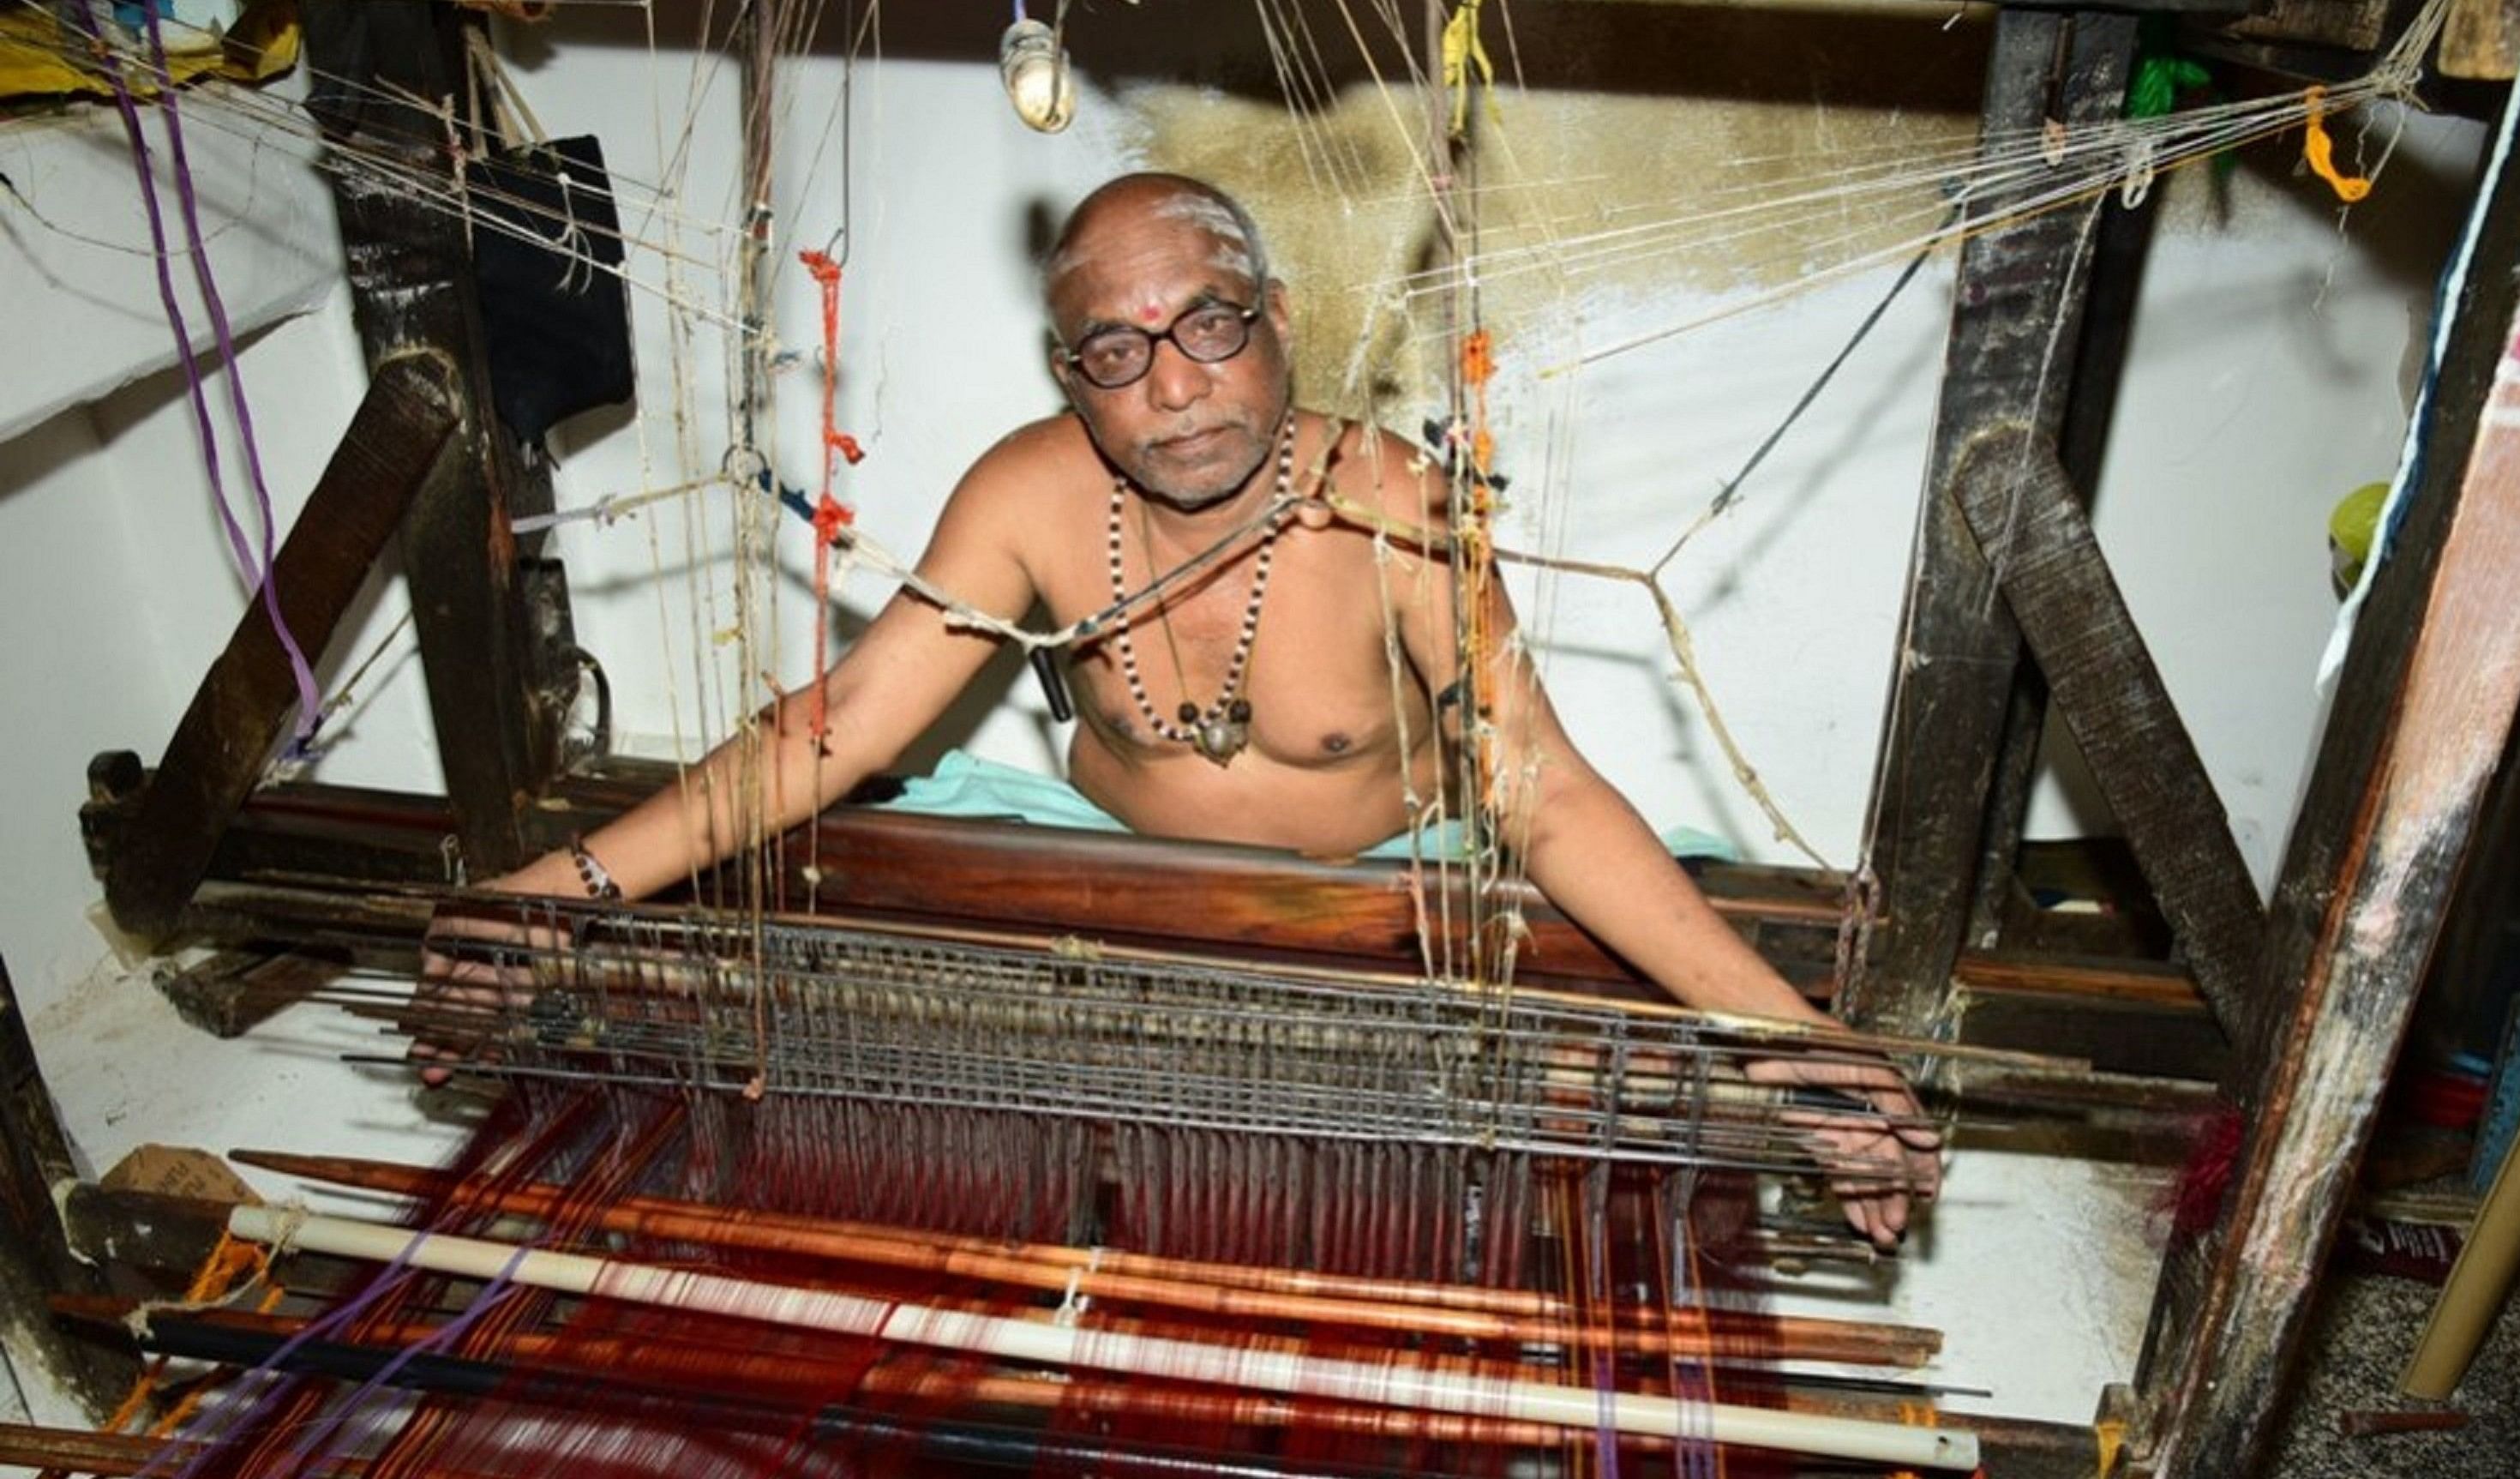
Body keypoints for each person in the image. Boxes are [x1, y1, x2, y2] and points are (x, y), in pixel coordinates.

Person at [432, 172, 1940, 1248]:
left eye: (1208, 325)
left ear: (1277, 320)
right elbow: (841, 727)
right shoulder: (1027, 494)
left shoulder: (1390, 510)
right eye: (1116, 351)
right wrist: (549, 896)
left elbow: (1533, 789)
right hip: (1111, 902)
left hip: (1385, 932)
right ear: (1071, 379)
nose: (1171, 386)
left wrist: (1792, 1043)